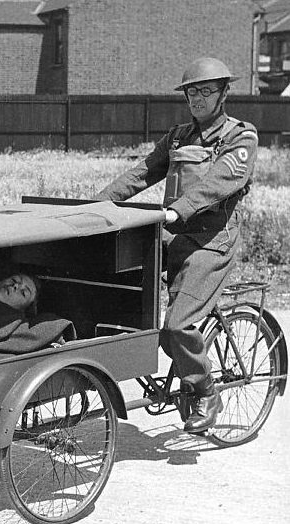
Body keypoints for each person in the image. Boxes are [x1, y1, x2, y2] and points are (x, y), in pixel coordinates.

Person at [95, 57, 259, 433]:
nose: (197, 99)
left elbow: (219, 182)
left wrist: (177, 210)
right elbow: (142, 173)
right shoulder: (179, 136)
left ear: (223, 93)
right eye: (191, 93)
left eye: (205, 91)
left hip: (211, 241)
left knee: (177, 326)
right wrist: (97, 204)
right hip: (173, 235)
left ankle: (204, 389)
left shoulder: (240, 136)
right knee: (118, 289)